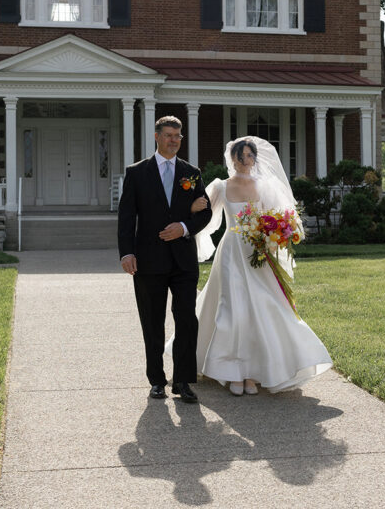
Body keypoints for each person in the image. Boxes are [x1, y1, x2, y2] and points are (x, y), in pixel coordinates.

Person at [187, 136, 332, 395]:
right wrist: (194, 209)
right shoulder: (220, 186)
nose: (245, 162)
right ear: (232, 159)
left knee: (262, 305)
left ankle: (254, 373)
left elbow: (279, 217)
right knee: (231, 307)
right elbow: (205, 217)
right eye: (240, 157)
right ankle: (233, 372)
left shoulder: (265, 185)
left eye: (249, 156)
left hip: (258, 251)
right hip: (232, 250)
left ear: (255, 158)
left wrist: (277, 232)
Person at [118, 115, 212, 402]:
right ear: (156, 137)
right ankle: (156, 380)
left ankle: (183, 381)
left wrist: (184, 227)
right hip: (148, 260)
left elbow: (205, 211)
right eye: (169, 135)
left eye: (178, 136)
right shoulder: (137, 172)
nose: (174, 140)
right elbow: (126, 216)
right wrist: (127, 252)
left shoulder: (191, 172)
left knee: (187, 321)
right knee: (152, 321)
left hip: (184, 261)